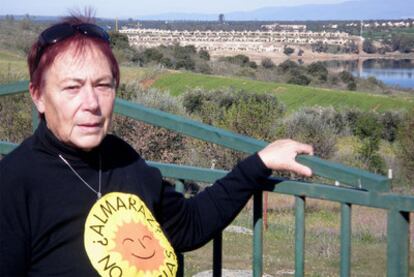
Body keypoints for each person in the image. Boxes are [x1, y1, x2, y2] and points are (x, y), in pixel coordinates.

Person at [0, 15, 313, 277]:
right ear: (38, 95)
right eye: (72, 87)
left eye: (103, 85)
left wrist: (258, 163)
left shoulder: (121, 158)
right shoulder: (13, 185)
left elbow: (189, 224)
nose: (92, 103)